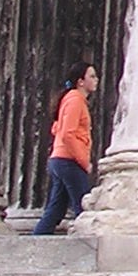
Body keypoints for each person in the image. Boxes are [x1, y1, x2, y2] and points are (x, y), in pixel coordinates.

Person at [32, 62, 98, 235]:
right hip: (69, 161)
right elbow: (68, 133)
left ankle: (36, 243)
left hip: (61, 159)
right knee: (83, 208)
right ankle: (86, 248)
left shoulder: (72, 100)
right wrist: (84, 161)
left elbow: (58, 128)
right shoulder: (75, 100)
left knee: (56, 210)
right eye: (91, 76)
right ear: (80, 81)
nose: (96, 79)